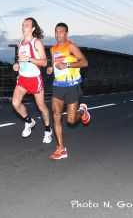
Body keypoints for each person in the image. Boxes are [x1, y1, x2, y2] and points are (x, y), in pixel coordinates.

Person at [46, 22, 91, 160]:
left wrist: (67, 64)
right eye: (56, 32)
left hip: (72, 86)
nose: (58, 34)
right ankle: (61, 148)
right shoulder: (52, 49)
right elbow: (55, 63)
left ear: (66, 33)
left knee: (71, 120)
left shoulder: (71, 46)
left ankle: (82, 111)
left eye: (61, 32)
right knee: (56, 115)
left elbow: (84, 62)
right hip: (58, 86)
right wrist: (51, 68)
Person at [12, 17, 52, 143]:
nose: (24, 27)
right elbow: (19, 61)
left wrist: (30, 59)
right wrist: (17, 66)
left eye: (27, 25)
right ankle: (29, 121)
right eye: (23, 24)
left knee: (41, 107)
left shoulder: (36, 43)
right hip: (23, 79)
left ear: (33, 28)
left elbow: (44, 62)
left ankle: (47, 130)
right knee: (15, 103)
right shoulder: (20, 43)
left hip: (34, 79)